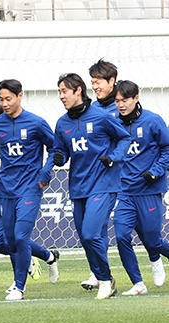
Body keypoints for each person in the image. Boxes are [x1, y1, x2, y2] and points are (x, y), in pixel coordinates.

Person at [52, 73, 130, 299]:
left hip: (104, 183)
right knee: (85, 237)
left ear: (78, 90)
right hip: (78, 187)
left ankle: (105, 279)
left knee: (89, 233)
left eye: (64, 91)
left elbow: (124, 139)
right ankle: (102, 277)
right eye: (59, 92)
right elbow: (62, 151)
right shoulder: (62, 123)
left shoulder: (101, 116)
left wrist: (113, 157)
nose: (61, 96)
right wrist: (58, 156)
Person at [0, 79, 59, 301]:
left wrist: (45, 173)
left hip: (30, 188)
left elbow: (55, 149)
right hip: (6, 188)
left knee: (20, 236)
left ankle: (18, 286)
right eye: (1, 99)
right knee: (11, 241)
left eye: (8, 99)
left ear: (19, 96)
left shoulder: (36, 123)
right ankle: (49, 258)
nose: (4, 103)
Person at [112, 80, 169, 295]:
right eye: (117, 101)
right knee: (121, 236)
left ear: (136, 98)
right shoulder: (113, 124)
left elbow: (167, 150)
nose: (121, 105)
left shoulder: (153, 121)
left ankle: (156, 259)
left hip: (149, 191)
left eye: (124, 100)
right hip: (125, 192)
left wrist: (155, 171)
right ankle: (138, 284)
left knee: (153, 242)